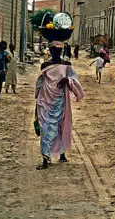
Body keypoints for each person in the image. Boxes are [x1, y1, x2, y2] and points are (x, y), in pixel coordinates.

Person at [35, 41, 84, 170]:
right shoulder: (45, 65)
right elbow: (40, 83)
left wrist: (67, 80)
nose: (56, 53)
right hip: (45, 100)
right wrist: (37, 104)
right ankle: (45, 158)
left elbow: (75, 80)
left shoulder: (67, 65)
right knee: (45, 129)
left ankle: (62, 154)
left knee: (61, 126)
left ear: (61, 52)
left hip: (60, 101)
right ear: (50, 51)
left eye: (58, 51)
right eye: (54, 50)